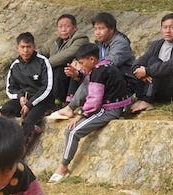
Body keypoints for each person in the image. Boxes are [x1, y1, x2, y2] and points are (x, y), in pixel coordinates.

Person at [49, 43, 133, 183]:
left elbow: (94, 101)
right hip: (114, 105)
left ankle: (63, 167)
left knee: (73, 131)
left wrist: (81, 114)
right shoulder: (105, 65)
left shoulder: (98, 73)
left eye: (82, 63)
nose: (80, 66)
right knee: (72, 130)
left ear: (92, 60)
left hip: (110, 109)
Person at [51, 13, 135, 120]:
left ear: (111, 29)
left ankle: (70, 107)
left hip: (125, 81)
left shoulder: (120, 43)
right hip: (108, 79)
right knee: (76, 71)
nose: (97, 32)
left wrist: (87, 68)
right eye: (95, 29)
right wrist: (79, 71)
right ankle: (68, 104)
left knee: (93, 75)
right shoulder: (101, 44)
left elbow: (107, 65)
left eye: (101, 28)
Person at [128, 13, 173, 113]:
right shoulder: (157, 44)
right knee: (147, 63)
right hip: (160, 84)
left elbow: (171, 65)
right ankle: (141, 98)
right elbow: (141, 60)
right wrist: (139, 70)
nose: (168, 31)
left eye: (172, 27)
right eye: (165, 27)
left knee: (154, 63)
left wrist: (147, 71)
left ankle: (147, 100)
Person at [0, 32, 53, 150]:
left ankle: (20, 150)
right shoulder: (15, 66)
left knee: (28, 122)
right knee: (5, 109)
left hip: (40, 100)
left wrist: (30, 104)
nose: (25, 50)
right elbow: (10, 88)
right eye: (22, 47)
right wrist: (20, 97)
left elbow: (47, 87)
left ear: (34, 46)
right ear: (17, 48)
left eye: (28, 47)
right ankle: (9, 139)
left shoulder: (43, 62)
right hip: (23, 99)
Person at [46, 14, 88, 106]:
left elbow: (68, 54)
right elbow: (42, 52)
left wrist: (44, 64)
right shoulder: (55, 42)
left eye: (67, 26)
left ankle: (61, 102)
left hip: (74, 76)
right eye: (60, 27)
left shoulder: (81, 39)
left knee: (59, 69)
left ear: (75, 27)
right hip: (59, 77)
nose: (63, 29)